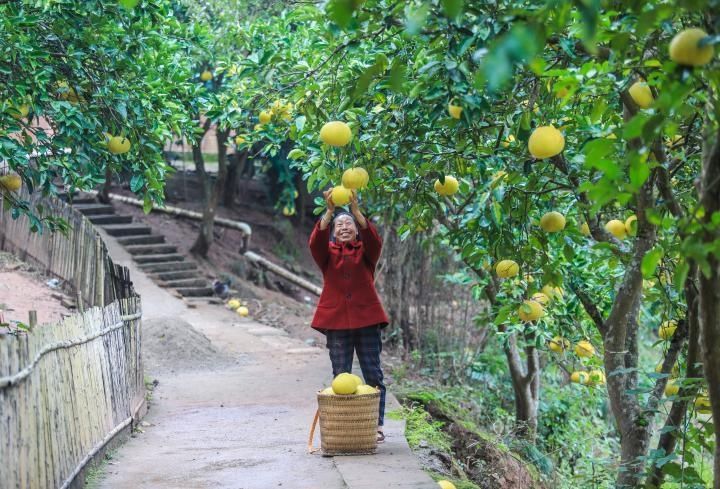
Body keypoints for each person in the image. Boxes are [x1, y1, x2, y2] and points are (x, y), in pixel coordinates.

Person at [308, 188, 389, 442]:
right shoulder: (327, 255)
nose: (344, 227)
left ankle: (375, 425)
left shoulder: (366, 252)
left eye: (348, 224)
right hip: (337, 323)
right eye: (339, 225)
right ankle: (343, 426)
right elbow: (315, 241)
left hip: (367, 321)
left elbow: (374, 238)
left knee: (373, 374)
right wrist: (330, 210)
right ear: (333, 232)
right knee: (341, 376)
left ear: (355, 230)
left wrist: (355, 210)